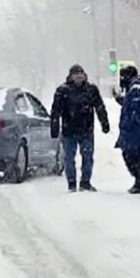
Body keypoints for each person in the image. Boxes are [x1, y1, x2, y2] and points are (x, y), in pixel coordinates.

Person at [50, 64, 109, 192]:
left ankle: (85, 182)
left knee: (87, 157)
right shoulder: (62, 91)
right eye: (76, 74)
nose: (79, 76)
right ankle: (71, 183)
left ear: (84, 75)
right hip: (69, 130)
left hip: (86, 129)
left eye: (81, 73)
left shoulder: (91, 89)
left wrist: (104, 122)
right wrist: (54, 127)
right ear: (70, 76)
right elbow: (56, 110)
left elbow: (99, 107)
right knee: (69, 158)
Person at [113, 64, 140, 194]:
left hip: (134, 131)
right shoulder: (135, 88)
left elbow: (135, 109)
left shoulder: (136, 89)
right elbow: (130, 104)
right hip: (135, 130)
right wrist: (119, 99)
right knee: (136, 157)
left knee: (132, 156)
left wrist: (131, 125)